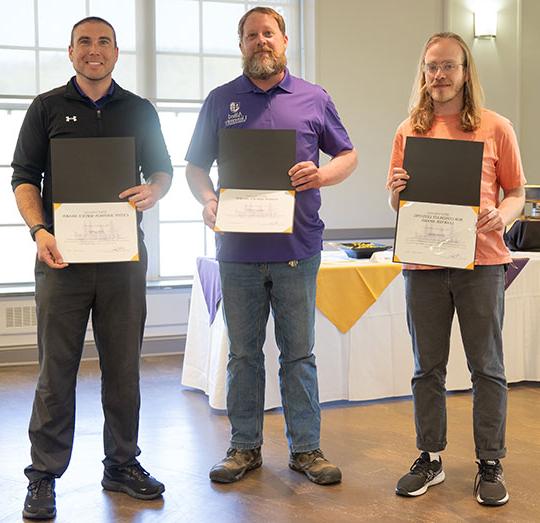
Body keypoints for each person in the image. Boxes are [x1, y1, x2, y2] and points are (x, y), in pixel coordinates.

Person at [185, 7, 357, 485]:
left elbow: (348, 154)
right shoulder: (221, 101)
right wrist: (207, 199)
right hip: (237, 252)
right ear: (241, 44)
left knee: (298, 354)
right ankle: (244, 448)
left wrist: (321, 174)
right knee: (243, 355)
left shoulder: (313, 98)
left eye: (269, 33)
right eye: (251, 35)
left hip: (297, 249)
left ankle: (306, 450)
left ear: (285, 41)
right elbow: (196, 168)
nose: (261, 41)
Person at [12, 16, 173, 520]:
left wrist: (155, 190)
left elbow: (162, 170)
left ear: (116, 52)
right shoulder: (46, 108)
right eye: (85, 42)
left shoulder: (139, 110)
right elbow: (23, 178)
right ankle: (42, 476)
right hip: (62, 261)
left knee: (123, 370)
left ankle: (122, 465)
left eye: (103, 41)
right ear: (71, 51)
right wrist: (40, 232)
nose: (94, 50)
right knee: (54, 373)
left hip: (123, 261)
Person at [387, 32, 526, 506]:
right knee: (427, 368)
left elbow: (517, 193)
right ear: (422, 74)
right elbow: (396, 201)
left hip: (482, 263)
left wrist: (501, 216)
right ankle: (430, 456)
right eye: (431, 67)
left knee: (487, 367)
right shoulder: (408, 130)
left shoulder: (496, 127)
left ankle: (490, 460)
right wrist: (396, 191)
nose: (439, 75)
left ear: (466, 72)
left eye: (448, 66)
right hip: (423, 264)